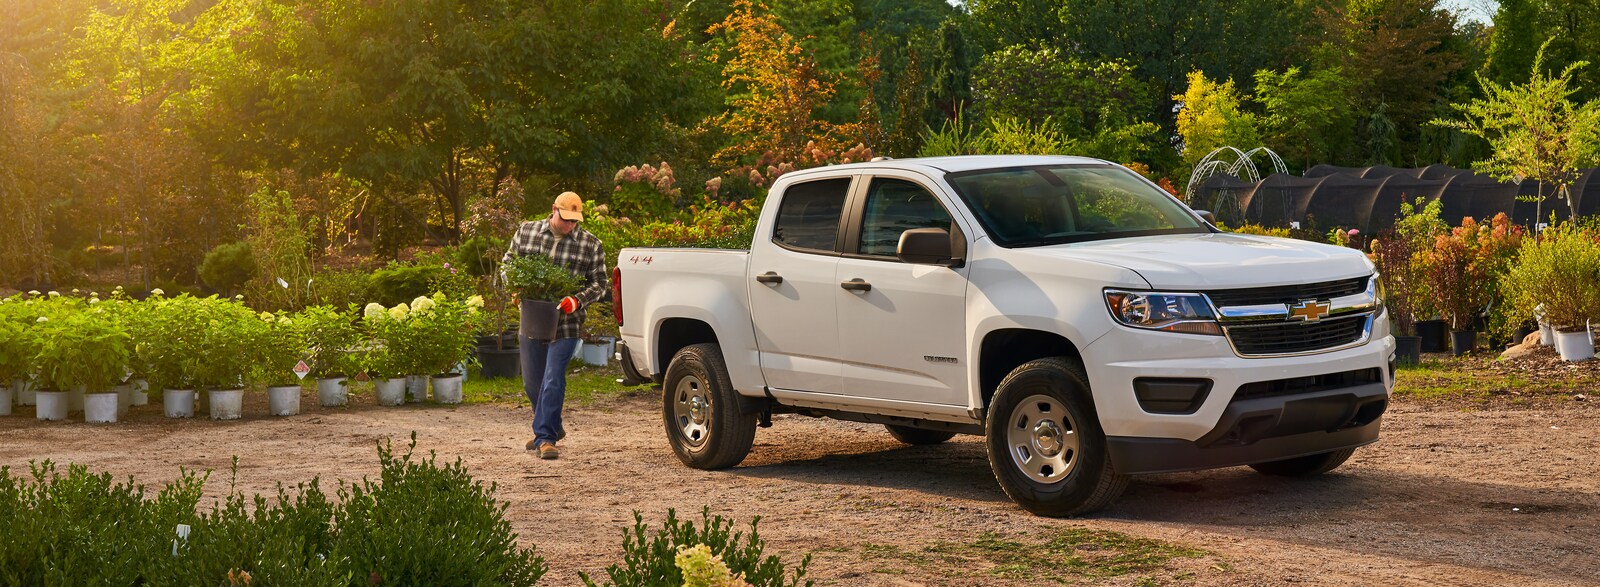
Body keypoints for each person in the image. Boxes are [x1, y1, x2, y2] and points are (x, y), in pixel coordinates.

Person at [502, 191, 609, 459]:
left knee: (552, 378)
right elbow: (507, 264)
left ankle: (545, 438)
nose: (570, 225)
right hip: (533, 317)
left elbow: (600, 284)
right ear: (553, 210)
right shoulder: (526, 232)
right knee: (532, 382)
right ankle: (553, 425)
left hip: (567, 324)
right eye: (566, 219)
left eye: (575, 221)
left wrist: (578, 300)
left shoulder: (590, 244)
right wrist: (514, 288)